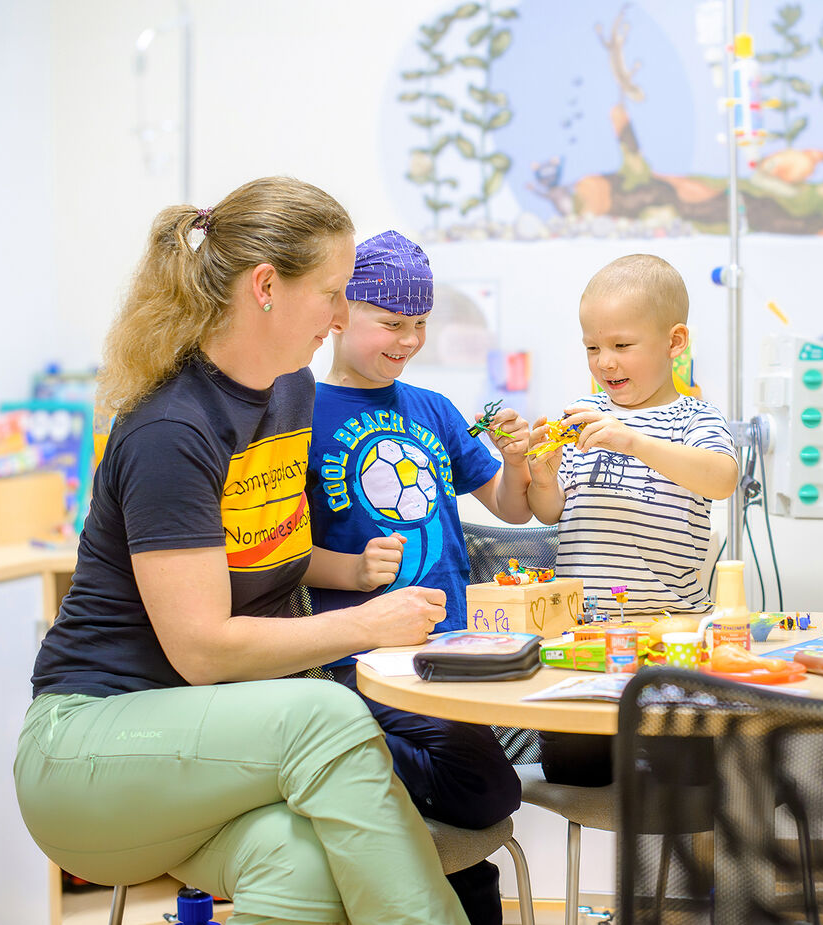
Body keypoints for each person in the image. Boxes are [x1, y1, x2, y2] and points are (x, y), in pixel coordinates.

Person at [15, 178, 470, 925]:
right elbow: (201, 649)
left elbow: (275, 555)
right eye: (331, 292)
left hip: (196, 751)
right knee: (325, 715)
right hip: (86, 753)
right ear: (266, 287)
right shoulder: (172, 430)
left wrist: (354, 574)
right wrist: (365, 623)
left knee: (303, 864)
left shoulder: (289, 389)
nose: (338, 313)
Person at [304, 229, 530, 924]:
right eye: (390, 323)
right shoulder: (298, 412)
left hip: (445, 656)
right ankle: (338, 747)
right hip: (356, 659)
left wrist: (520, 459)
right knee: (487, 789)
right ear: (340, 312)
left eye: (419, 325)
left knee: (488, 799)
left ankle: (356, 763)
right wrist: (348, 566)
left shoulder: (431, 408)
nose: (407, 340)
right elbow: (269, 549)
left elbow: (511, 507)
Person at [526, 253, 739, 784]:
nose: (604, 362)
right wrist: (545, 475)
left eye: (622, 346)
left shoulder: (695, 417)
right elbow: (550, 512)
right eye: (592, 348)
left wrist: (634, 440)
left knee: (684, 777)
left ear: (674, 342)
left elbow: (721, 478)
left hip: (670, 640)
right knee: (572, 766)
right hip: (585, 640)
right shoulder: (581, 414)